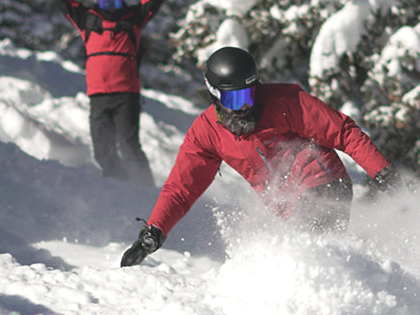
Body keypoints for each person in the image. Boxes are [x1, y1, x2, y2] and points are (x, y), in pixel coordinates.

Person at [121, 46, 398, 266]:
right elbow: (182, 188)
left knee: (313, 255)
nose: (243, 107)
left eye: (249, 95)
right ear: (215, 96)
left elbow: (341, 130)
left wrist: (380, 170)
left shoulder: (286, 101)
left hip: (323, 182)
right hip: (287, 208)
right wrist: (155, 230)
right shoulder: (206, 133)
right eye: (233, 100)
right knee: (313, 259)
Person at [56, 0, 164, 185]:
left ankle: (144, 188)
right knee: (102, 150)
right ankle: (119, 187)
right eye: (106, 2)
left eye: (116, 1)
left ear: (122, 0)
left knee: (129, 145)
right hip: (98, 96)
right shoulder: (87, 18)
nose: (112, 7)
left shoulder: (133, 17)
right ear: (98, 1)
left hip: (126, 95)